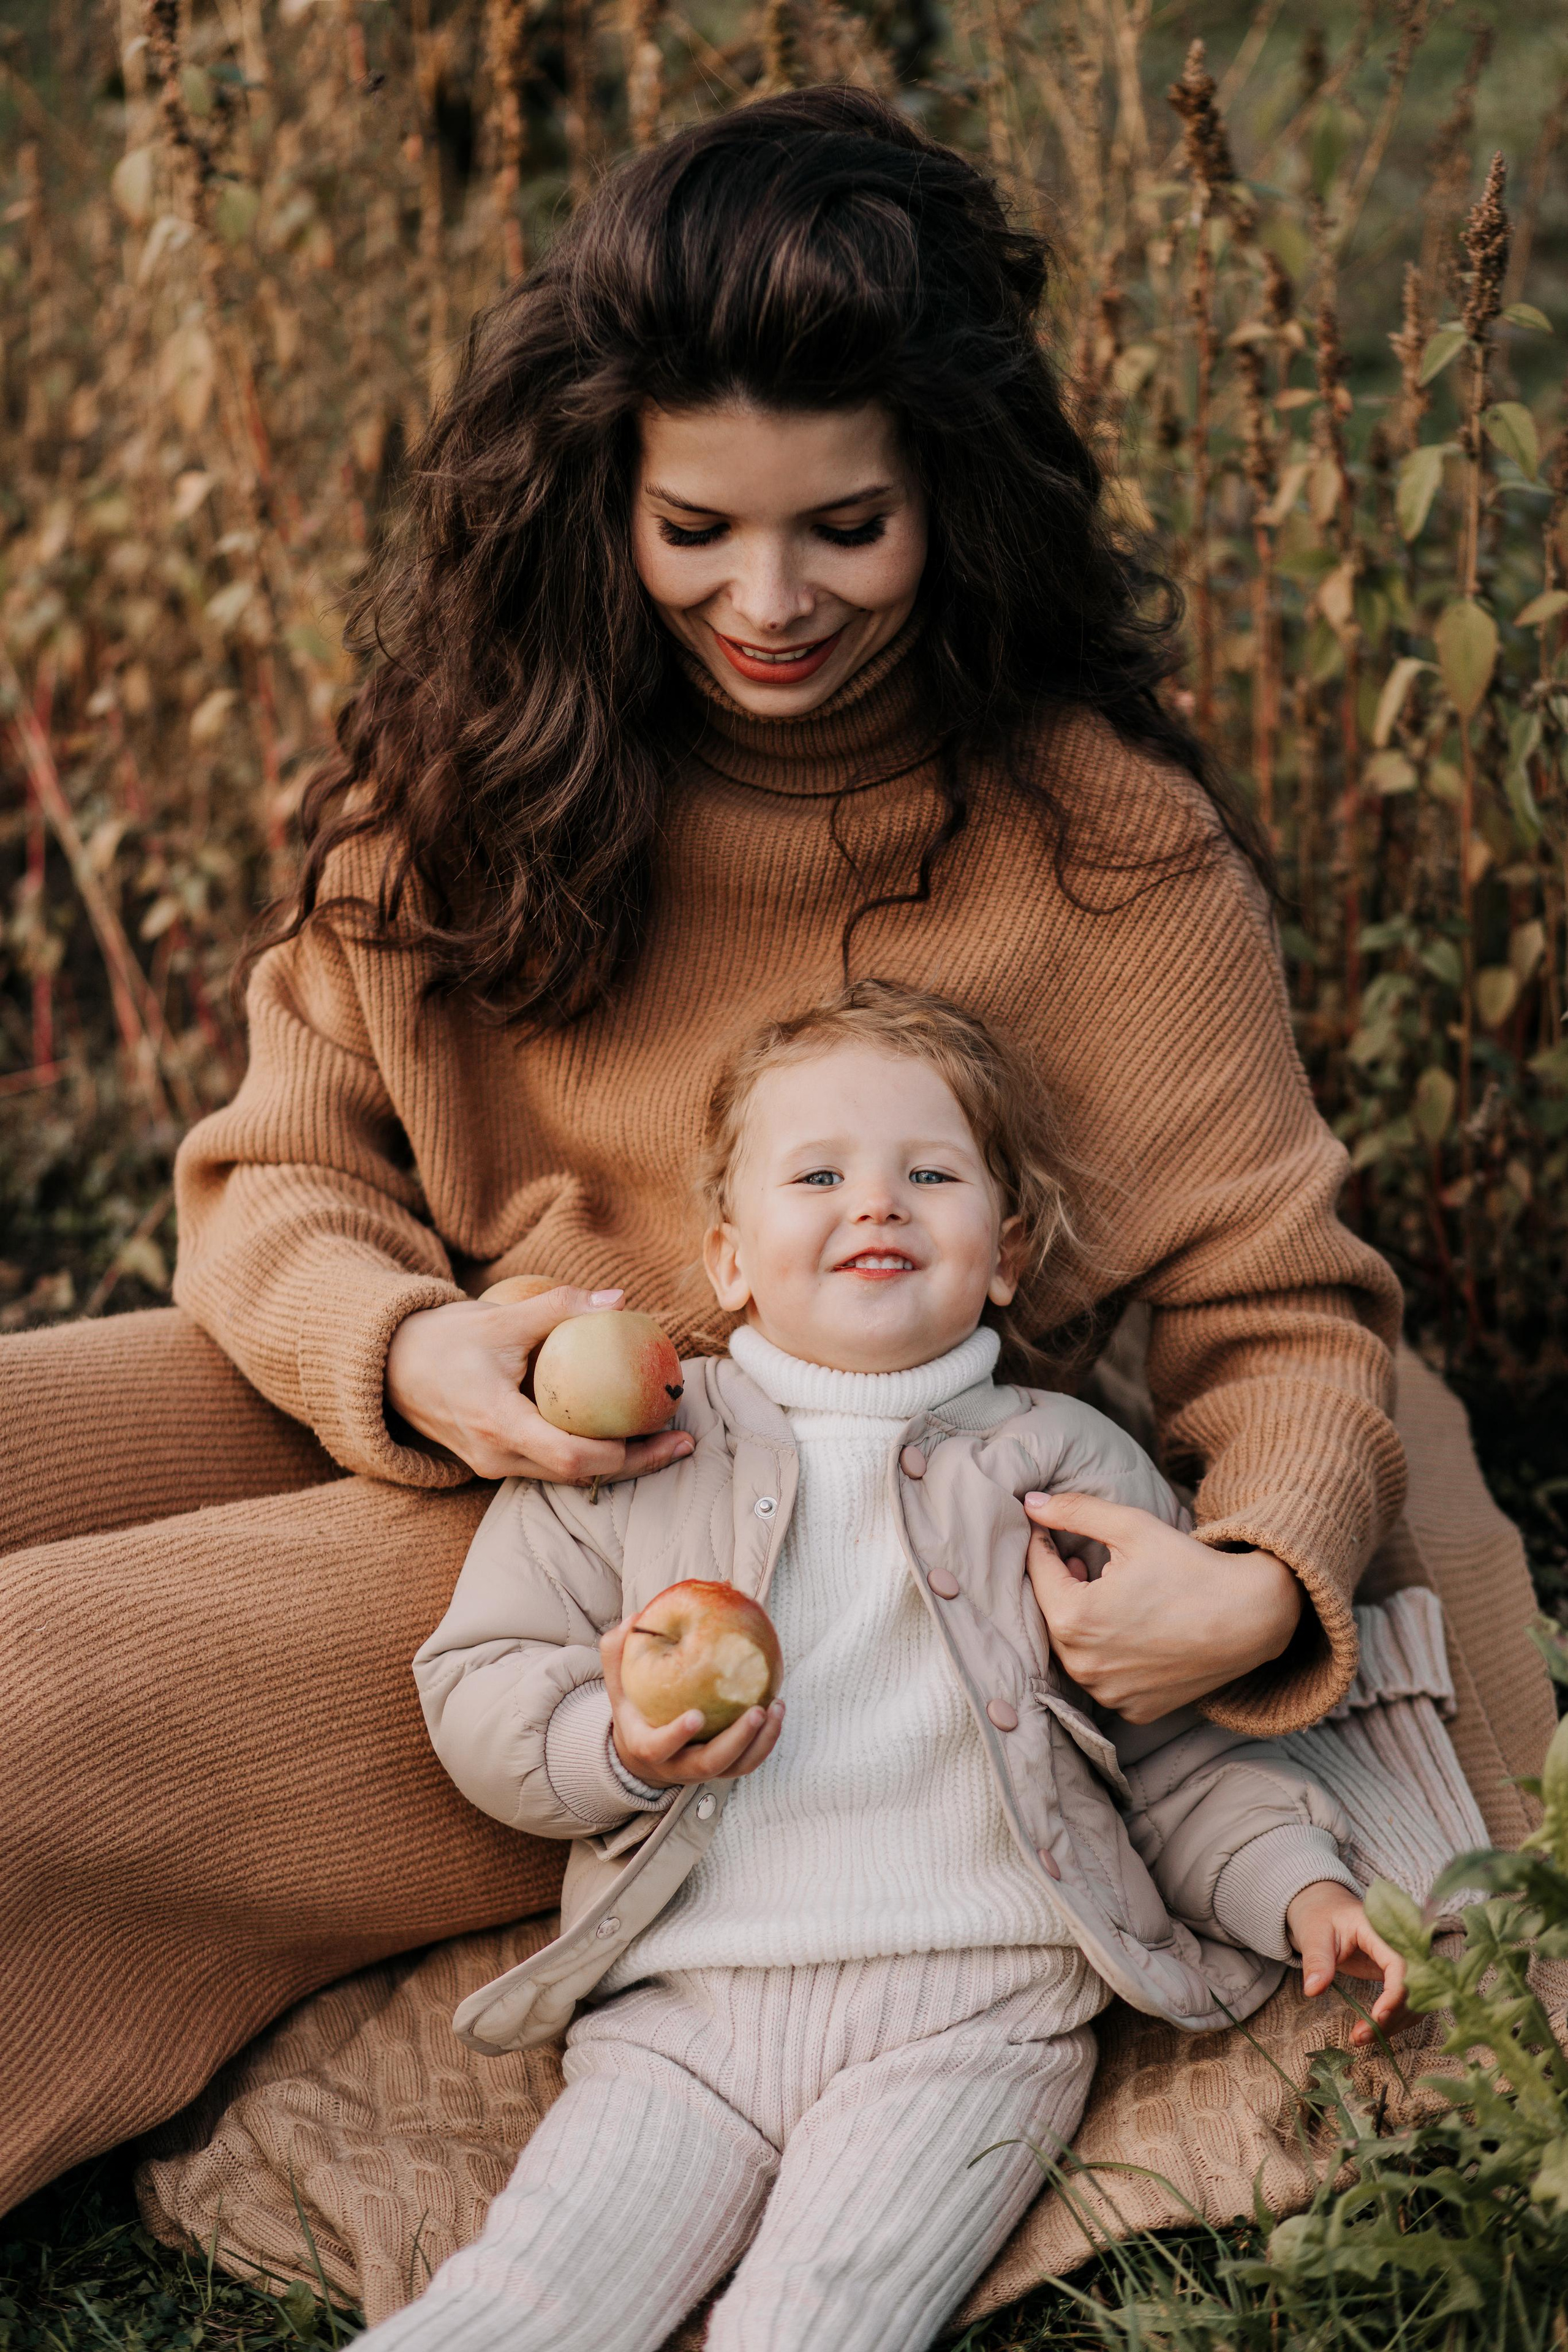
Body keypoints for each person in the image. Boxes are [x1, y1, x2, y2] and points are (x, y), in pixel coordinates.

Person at [0, 86, 1426, 2211]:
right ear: (605, 499)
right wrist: (409, 1354)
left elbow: (1283, 1315)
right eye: (699, 530)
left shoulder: (1103, 849)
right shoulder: (486, 780)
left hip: (754, 1536)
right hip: (470, 1396)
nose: (768, 599)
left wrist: (1253, 1583)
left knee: (36, 1691)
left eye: (843, 526)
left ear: (952, 493)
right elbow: (277, 1177)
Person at [356, 985, 1408, 2352]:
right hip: (687, 2009)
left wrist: (1298, 1888)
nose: (876, 1205)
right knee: (527, 2300)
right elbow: (482, 1677)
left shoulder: (1066, 1466)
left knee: (821, 2319)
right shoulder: (632, 1453)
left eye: (927, 1173)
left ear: (1007, 1251)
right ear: (729, 1260)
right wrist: (609, 1742)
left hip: (970, 2015)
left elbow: (1168, 1738)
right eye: (818, 1175)